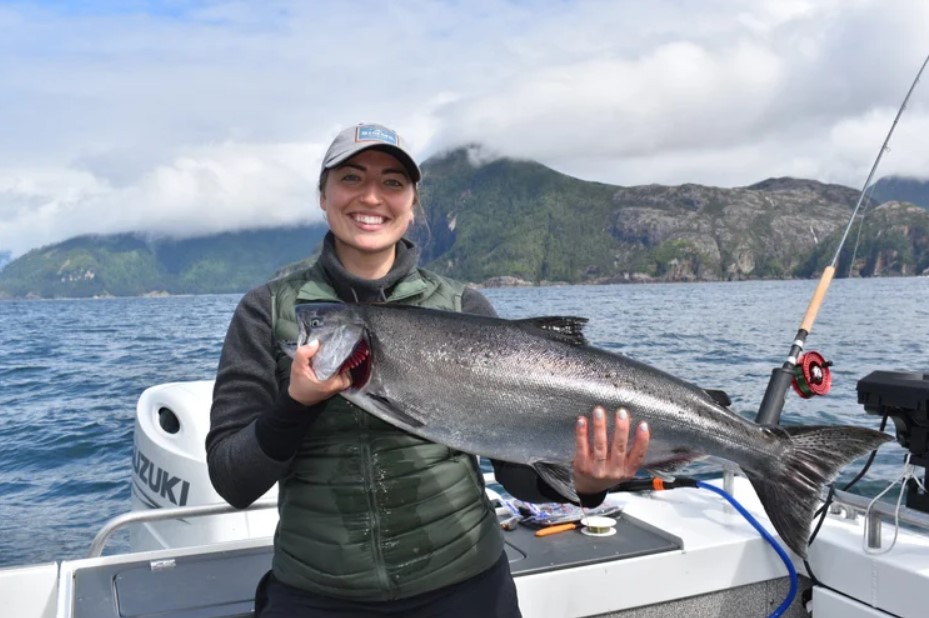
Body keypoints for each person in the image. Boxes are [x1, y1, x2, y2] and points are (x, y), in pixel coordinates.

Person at [206, 122, 651, 618]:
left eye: (392, 182)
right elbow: (232, 479)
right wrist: (295, 405)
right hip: (317, 594)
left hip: (465, 586)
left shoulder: (463, 305)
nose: (371, 197)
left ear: (413, 203)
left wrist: (585, 486)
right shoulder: (266, 310)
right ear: (322, 195)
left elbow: (514, 467)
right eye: (351, 178)